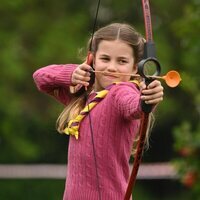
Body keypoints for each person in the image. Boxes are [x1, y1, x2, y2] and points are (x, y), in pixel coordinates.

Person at [33, 23, 164, 200]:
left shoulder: (121, 92)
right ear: (92, 60)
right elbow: (40, 77)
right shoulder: (82, 97)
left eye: (122, 61)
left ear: (135, 68)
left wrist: (147, 100)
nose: (111, 67)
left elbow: (134, 106)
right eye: (105, 58)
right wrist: (73, 73)